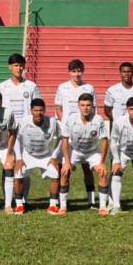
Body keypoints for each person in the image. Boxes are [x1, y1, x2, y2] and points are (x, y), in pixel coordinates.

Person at [104, 62, 133, 210]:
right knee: (115, 166)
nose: (126, 74)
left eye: (129, 71)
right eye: (124, 71)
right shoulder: (112, 90)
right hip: (120, 133)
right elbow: (107, 109)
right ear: (120, 73)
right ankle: (113, 202)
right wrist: (118, 122)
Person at [0, 53, 41, 209]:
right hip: (8, 132)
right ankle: (7, 200)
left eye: (21, 65)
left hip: (26, 131)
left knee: (25, 167)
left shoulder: (31, 86)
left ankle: (24, 200)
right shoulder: (2, 87)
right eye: (16, 65)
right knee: (8, 166)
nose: (18, 68)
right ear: (10, 67)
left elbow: (37, 106)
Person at [55, 59, 99, 210]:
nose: (76, 74)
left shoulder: (89, 88)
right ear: (69, 72)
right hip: (68, 134)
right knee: (64, 168)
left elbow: (94, 109)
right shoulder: (62, 87)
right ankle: (61, 202)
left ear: (83, 71)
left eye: (79, 71)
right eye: (73, 71)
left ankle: (91, 202)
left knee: (87, 168)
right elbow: (58, 108)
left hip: (85, 133)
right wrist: (65, 124)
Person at [60, 93, 109, 215]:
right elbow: (64, 139)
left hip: (93, 152)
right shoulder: (71, 119)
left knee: (102, 172)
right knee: (65, 172)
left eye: (88, 105)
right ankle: (63, 206)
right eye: (83, 105)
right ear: (78, 106)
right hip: (75, 151)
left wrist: (102, 162)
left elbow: (105, 141)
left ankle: (102, 207)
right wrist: (67, 162)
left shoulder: (98, 119)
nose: (85, 108)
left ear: (92, 106)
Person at [14, 98, 61, 215]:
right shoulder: (24, 122)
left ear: (44, 110)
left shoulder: (52, 122)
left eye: (41, 110)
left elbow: (61, 138)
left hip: (46, 155)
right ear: (31, 111)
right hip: (28, 154)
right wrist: (19, 158)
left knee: (55, 174)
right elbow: (16, 139)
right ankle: (19, 206)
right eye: (36, 110)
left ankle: (53, 205)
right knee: (18, 174)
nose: (38, 113)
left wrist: (54, 156)